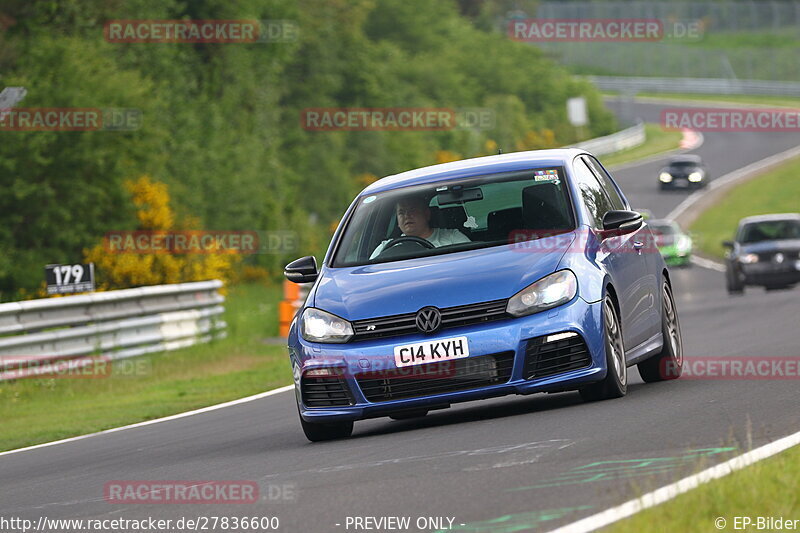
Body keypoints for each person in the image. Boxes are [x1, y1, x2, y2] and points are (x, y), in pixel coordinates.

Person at [370, 195, 470, 259]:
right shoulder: (386, 247)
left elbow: (473, 261)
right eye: (401, 212)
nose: (407, 216)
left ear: (426, 214)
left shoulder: (452, 238)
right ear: (398, 222)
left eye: (412, 210)